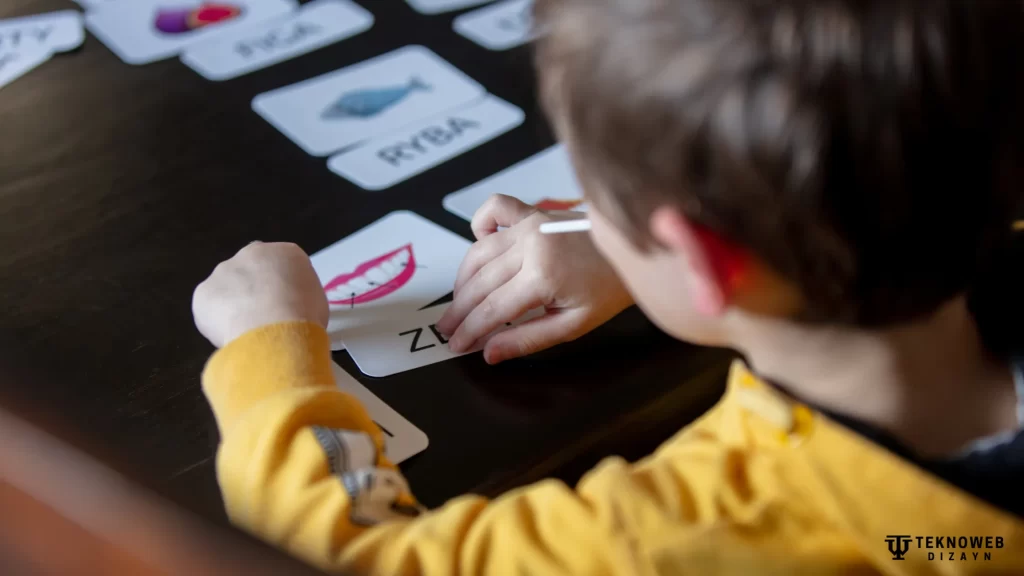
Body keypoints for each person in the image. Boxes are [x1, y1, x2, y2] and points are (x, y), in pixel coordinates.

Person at [191, 0, 1024, 573]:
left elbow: (346, 557)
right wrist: (645, 249)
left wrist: (270, 353)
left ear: (705, 265)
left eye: (600, 197)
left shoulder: (700, 534)